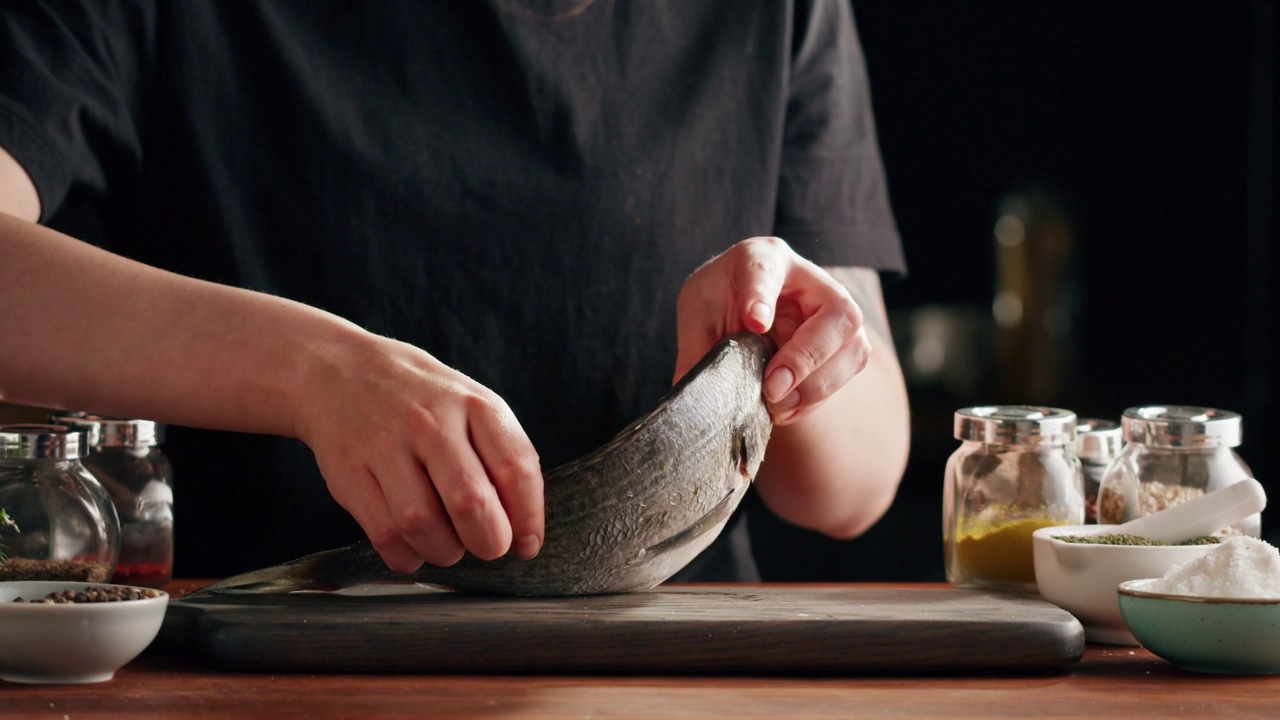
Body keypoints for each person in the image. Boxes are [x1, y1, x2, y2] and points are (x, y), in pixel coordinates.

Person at [0, 0, 910, 582]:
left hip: (667, 679)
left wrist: (775, 348)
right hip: (256, 671)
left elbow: (853, 487)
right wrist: (315, 374)